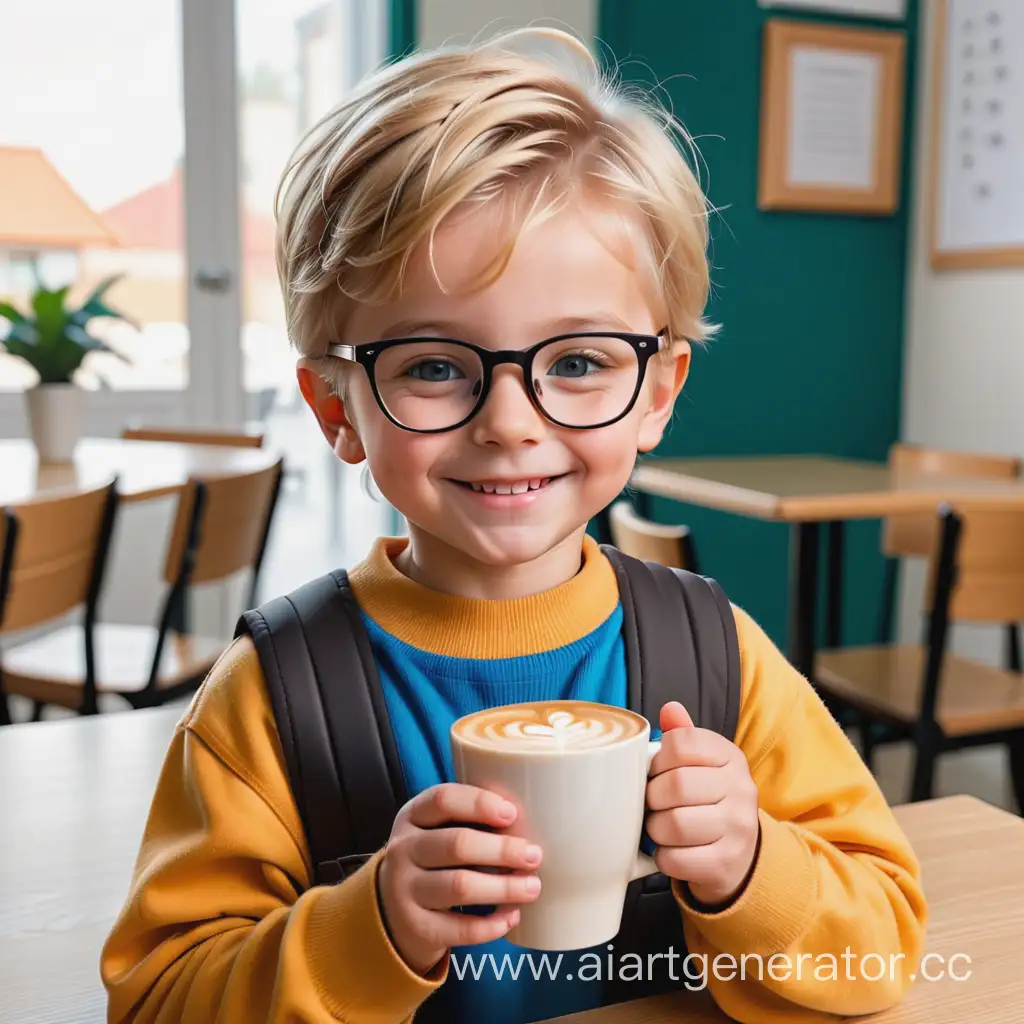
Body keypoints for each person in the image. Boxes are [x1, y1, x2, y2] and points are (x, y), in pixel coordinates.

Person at [100, 26, 927, 1024]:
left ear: (657, 391)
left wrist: (755, 863)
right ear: (335, 410)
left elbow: (880, 949)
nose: (508, 424)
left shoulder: (716, 659)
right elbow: (156, 1002)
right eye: (434, 366)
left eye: (578, 361)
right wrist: (370, 929)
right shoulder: (272, 699)